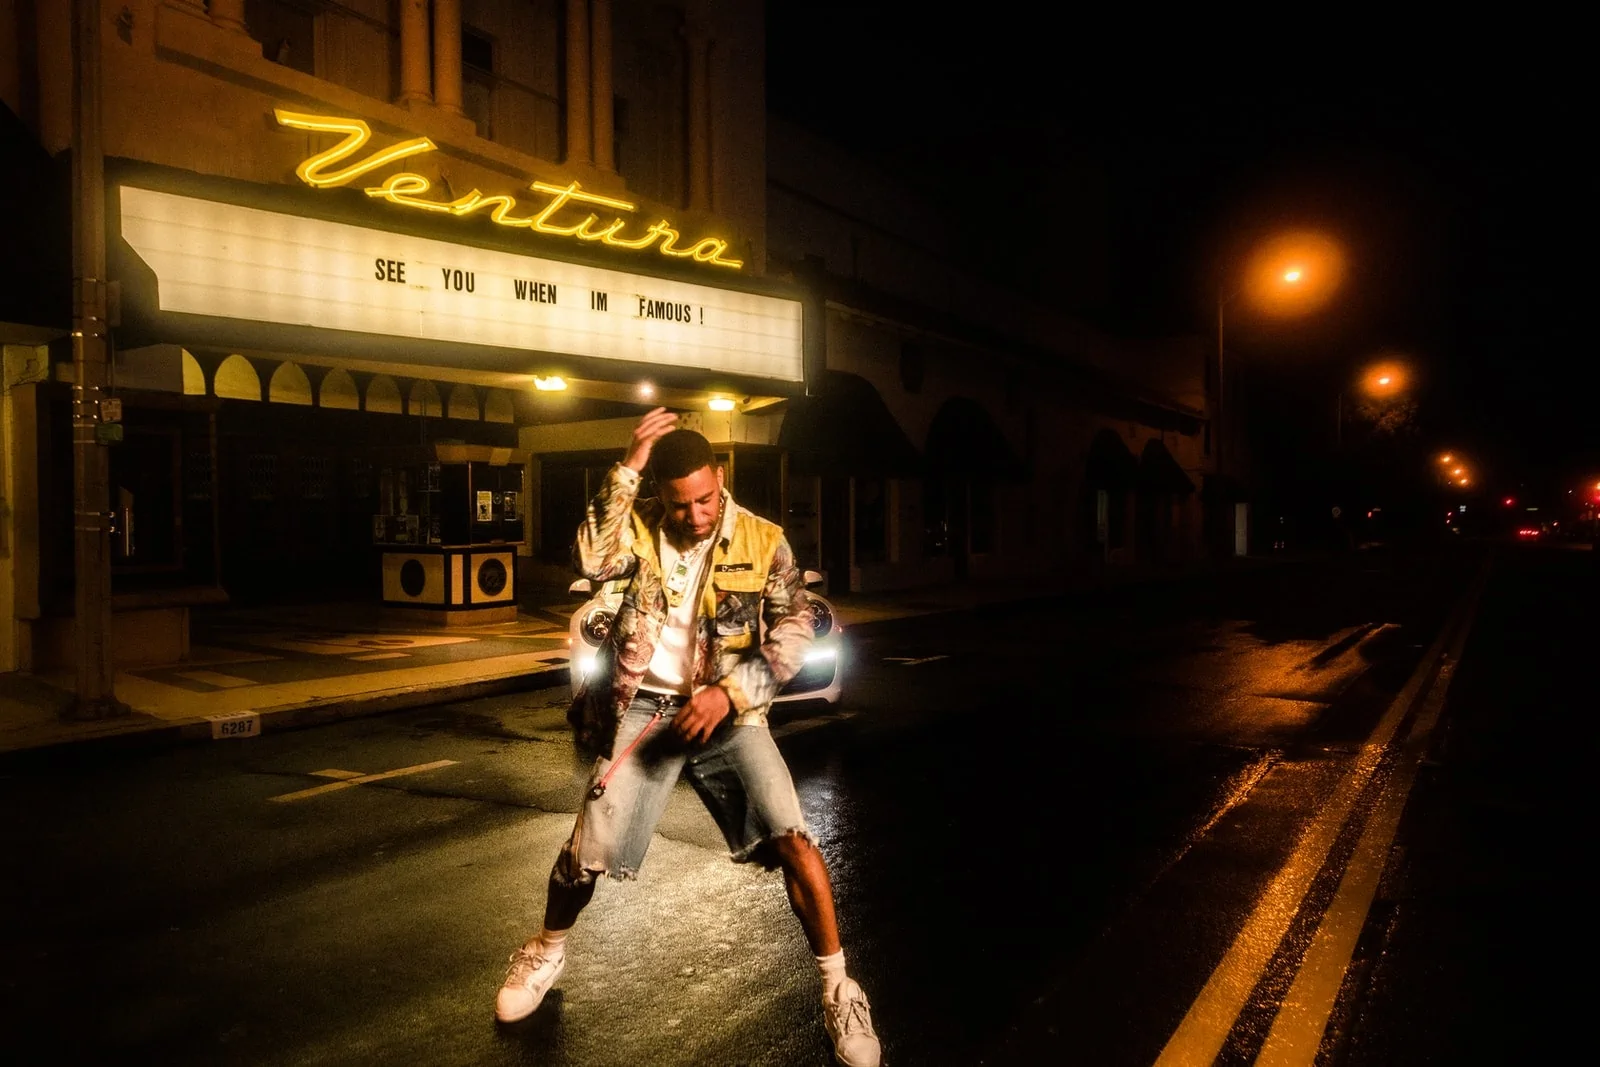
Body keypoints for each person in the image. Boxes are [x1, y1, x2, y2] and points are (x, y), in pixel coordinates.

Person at [495, 408, 880, 1067]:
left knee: (793, 838)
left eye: (705, 499)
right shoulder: (640, 526)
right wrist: (629, 464)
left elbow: (793, 632)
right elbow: (588, 554)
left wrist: (729, 693)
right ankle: (545, 949)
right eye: (681, 504)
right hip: (645, 710)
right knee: (584, 853)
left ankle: (840, 987)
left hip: (730, 712)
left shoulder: (764, 540)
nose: (696, 515)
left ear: (720, 478)